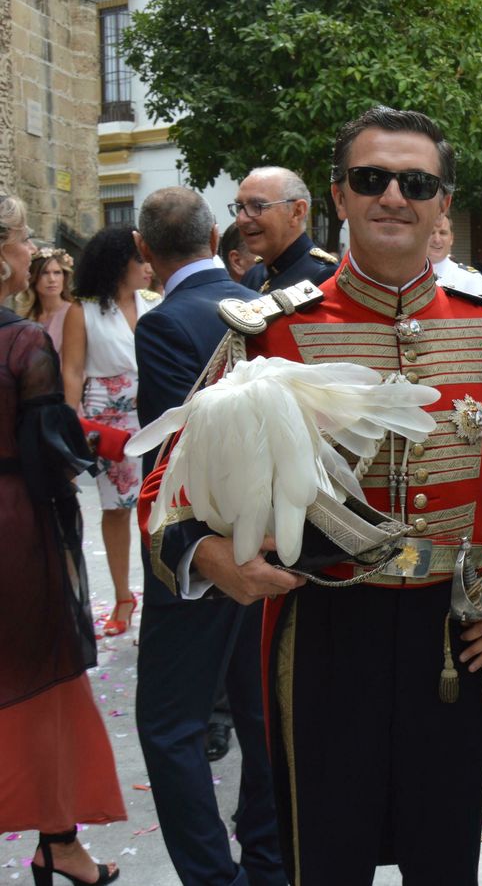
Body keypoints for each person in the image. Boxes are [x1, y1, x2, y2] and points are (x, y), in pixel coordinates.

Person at [142, 106, 482, 884]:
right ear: (339, 195)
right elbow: (165, 489)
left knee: (445, 863)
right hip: (321, 630)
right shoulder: (271, 330)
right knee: (325, 864)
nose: (394, 195)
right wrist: (216, 559)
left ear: (442, 203)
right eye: (371, 179)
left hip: (449, 642)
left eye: (416, 181)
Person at [130, 188, 285, 886]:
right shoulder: (266, 305)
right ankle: (267, 857)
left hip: (201, 549)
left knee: (169, 727)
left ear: (142, 252)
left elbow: (171, 459)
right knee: (259, 715)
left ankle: (211, 877)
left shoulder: (166, 323)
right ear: (217, 233)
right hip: (272, 538)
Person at [0, 196, 127, 886]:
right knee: (42, 681)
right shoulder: (22, 341)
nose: (30, 251)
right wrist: (111, 444)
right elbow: (51, 445)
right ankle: (58, 840)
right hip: (14, 528)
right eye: (23, 239)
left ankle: (60, 843)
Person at [59, 225, 156, 639]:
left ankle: (157, 594)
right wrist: (69, 426)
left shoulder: (154, 302)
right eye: (139, 259)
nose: (148, 267)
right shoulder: (83, 311)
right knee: (116, 511)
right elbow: (72, 371)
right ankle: (122, 595)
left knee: (157, 509)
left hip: (151, 416)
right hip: (107, 423)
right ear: (120, 265)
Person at [233, 167, 339, 294]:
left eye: (257, 206)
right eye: (240, 207)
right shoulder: (252, 276)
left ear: (296, 212)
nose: (241, 219)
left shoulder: (324, 277)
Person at [23, 246, 74, 352]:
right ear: (34, 277)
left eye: (57, 272)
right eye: (44, 273)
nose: (52, 279)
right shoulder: (26, 315)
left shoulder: (73, 313)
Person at [427, 214, 482, 297]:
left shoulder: (470, 278)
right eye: (431, 232)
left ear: (451, 238)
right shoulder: (406, 276)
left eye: (443, 233)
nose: (437, 240)